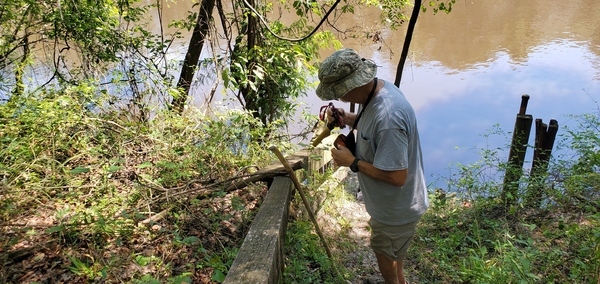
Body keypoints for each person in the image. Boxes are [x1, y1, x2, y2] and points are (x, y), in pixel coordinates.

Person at [315, 48, 429, 284]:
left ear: (352, 86)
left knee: (385, 255)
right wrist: (347, 119)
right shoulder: (379, 90)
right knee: (395, 255)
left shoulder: (389, 117)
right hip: (396, 207)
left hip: (396, 211)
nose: (341, 98)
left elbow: (397, 177)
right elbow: (372, 125)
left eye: (340, 92)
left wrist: (352, 162)